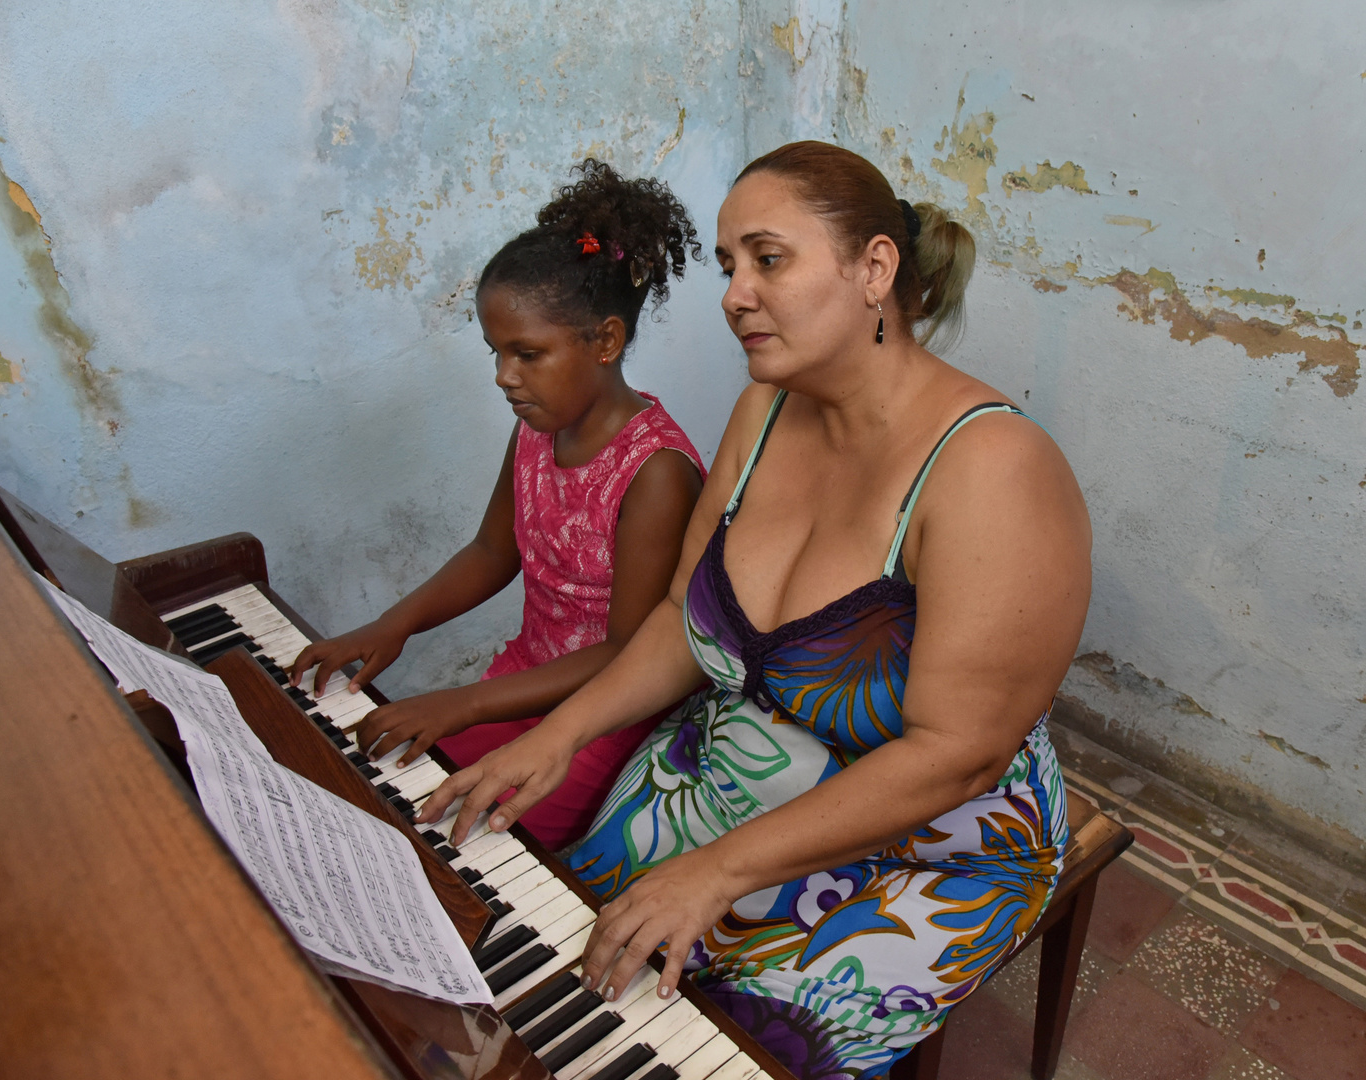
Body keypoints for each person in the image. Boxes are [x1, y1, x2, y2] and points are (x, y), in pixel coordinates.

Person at [424, 141, 1092, 1079]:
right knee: (551, 953)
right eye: (727, 265)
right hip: (738, 759)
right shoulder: (763, 411)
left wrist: (718, 869)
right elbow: (679, 622)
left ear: (874, 270)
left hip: (932, 840)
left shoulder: (993, 471)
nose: (735, 292)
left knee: (728, 1047)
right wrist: (559, 733)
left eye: (767, 259)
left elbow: (957, 752)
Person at [291, 160, 707, 851]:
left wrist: (465, 702)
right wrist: (390, 628)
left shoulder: (656, 472)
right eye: (495, 352)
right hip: (525, 677)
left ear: (604, 341)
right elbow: (493, 551)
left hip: (604, 716)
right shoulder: (539, 428)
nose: (503, 377)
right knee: (387, 789)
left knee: (457, 841)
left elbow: (625, 652)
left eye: (526, 354)